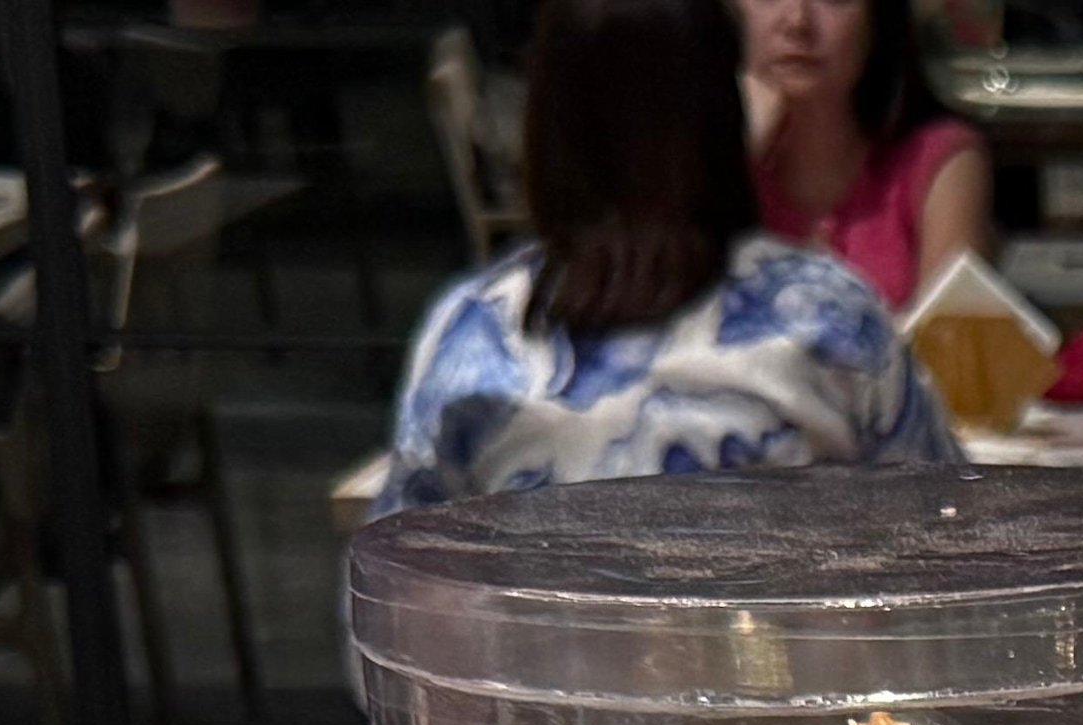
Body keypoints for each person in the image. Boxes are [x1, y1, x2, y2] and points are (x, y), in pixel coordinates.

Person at [385, 0, 957, 506]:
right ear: (726, 109)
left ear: (544, 125)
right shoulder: (828, 317)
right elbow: (948, 529)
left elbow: (389, 575)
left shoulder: (471, 336)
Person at [738, 0, 985, 306]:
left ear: (877, 22)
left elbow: (950, 330)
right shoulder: (703, 152)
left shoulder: (936, 159)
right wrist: (736, 155)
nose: (797, 22)